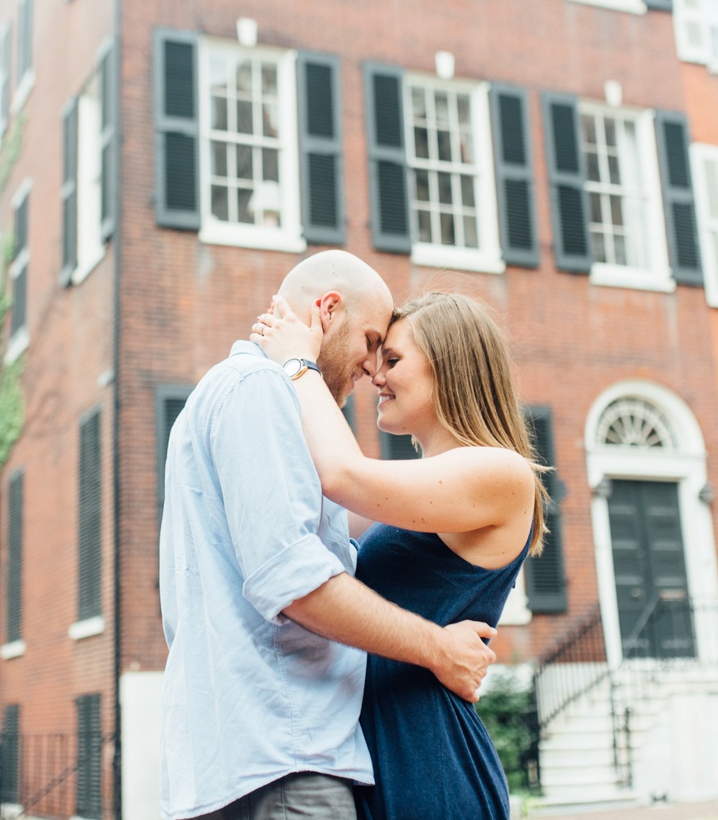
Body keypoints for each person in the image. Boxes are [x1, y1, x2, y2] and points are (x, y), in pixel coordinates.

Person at [159, 251, 499, 820]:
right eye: (371, 344)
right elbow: (291, 578)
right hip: (284, 759)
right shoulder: (262, 389)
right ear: (327, 309)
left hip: (245, 755)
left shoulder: (224, 393)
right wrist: (439, 648)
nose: (373, 371)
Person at [252, 290, 549, 820]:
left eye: (392, 360)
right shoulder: (417, 496)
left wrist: (298, 364)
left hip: (426, 754)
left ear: (449, 367)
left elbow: (341, 475)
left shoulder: (503, 473)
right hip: (368, 740)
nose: (375, 375)